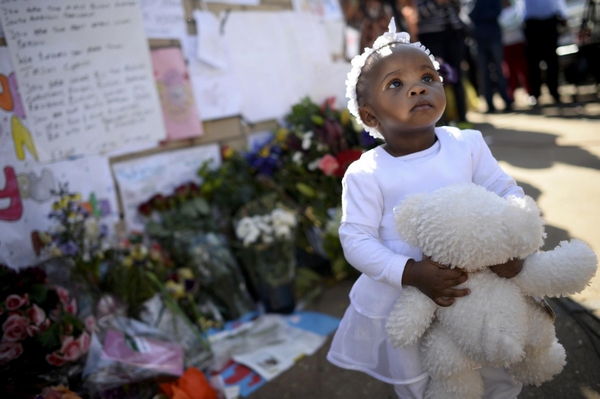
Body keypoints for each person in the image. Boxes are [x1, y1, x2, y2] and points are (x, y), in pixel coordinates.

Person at [326, 19, 525, 398]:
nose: (418, 87)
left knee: (494, 357)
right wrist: (408, 272)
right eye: (396, 84)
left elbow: (504, 189)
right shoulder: (367, 172)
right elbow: (355, 238)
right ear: (370, 117)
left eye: (428, 77)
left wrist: (514, 242)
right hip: (409, 296)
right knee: (424, 372)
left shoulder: (466, 144)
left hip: (478, 286)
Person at [414, 0, 472, 127]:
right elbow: (417, 13)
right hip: (432, 37)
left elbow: (460, 8)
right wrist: (437, 2)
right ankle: (441, 121)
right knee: (437, 79)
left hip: (453, 34)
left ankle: (462, 118)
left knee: (458, 77)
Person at [468, 0, 514, 112]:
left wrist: (480, 15)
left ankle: (506, 100)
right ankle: (489, 104)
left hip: (494, 38)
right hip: (478, 41)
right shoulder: (471, 1)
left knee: (499, 69)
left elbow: (496, 13)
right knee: (483, 73)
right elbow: (470, 15)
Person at [522, 0, 568, 106]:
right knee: (533, 62)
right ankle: (535, 93)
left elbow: (558, 3)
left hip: (549, 23)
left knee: (552, 60)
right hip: (532, 25)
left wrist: (564, 17)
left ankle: (554, 92)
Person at [499, 0, 531, 101]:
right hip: (506, 44)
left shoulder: (517, 7)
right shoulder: (498, 10)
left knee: (523, 68)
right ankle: (510, 95)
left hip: (519, 42)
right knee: (509, 71)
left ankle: (529, 92)